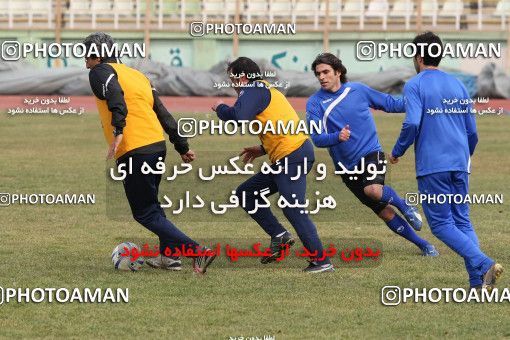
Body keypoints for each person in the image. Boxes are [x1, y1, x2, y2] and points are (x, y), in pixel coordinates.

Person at [84, 32, 215, 274]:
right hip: (156, 145)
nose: (86, 61)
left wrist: (119, 129)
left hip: (134, 149)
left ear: (99, 55)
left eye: (88, 55)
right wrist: (182, 146)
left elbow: (115, 96)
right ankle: (169, 257)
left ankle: (198, 251)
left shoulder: (100, 72)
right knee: (152, 205)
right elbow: (163, 112)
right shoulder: (138, 76)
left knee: (144, 213)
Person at [389, 32, 502, 289]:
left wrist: (397, 151)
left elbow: (412, 122)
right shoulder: (459, 85)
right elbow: (472, 131)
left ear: (418, 57)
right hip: (460, 163)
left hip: (433, 165)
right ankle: (477, 282)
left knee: (440, 225)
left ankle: (484, 264)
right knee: (462, 221)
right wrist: (464, 156)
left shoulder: (415, 84)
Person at [306, 53, 439, 257]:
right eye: (318, 74)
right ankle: (424, 245)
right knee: (384, 212)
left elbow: (390, 104)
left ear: (338, 72)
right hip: (346, 167)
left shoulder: (357, 90)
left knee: (373, 190)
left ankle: (406, 206)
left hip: (371, 153)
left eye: (326, 72)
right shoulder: (314, 103)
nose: (322, 77)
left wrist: (419, 103)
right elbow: (317, 138)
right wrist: (337, 136)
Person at [212, 57, 333, 273]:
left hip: (293, 155)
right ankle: (279, 235)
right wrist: (262, 149)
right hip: (288, 155)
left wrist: (221, 108)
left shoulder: (254, 88)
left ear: (242, 77)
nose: (231, 84)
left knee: (292, 208)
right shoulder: (262, 89)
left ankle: (322, 261)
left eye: (232, 78)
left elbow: (239, 116)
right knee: (247, 193)